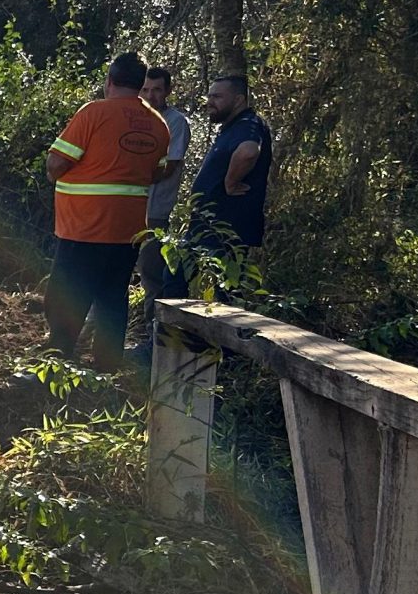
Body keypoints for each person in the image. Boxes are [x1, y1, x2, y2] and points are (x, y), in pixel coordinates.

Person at [43, 51, 175, 366]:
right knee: (112, 299)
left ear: (110, 81)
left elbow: (55, 164)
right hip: (128, 232)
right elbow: (158, 172)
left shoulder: (93, 113)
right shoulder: (159, 124)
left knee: (65, 298)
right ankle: (106, 367)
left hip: (84, 228)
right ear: (141, 84)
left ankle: (55, 365)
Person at [186, 72, 274, 286]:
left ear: (238, 100)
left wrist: (230, 183)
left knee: (227, 287)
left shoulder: (248, 125)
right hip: (208, 225)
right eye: (209, 96)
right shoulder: (232, 127)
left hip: (227, 226)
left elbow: (248, 152)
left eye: (217, 97)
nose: (210, 102)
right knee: (177, 275)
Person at [131, 64, 191, 342]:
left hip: (154, 210)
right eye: (145, 89)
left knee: (151, 273)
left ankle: (151, 335)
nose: (150, 96)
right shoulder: (133, 117)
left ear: (168, 91)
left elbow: (169, 166)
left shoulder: (175, 122)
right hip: (127, 206)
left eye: (156, 90)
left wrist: (129, 173)